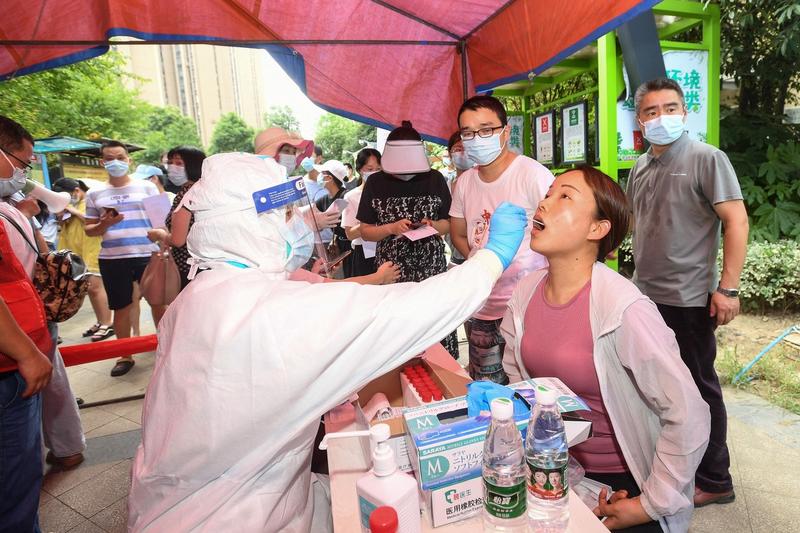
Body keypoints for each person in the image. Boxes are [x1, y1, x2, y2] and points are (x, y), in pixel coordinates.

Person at [128, 151, 529, 532]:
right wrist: (491, 257)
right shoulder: (265, 310)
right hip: (236, 515)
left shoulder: (203, 295)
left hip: (201, 500)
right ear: (251, 225)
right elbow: (412, 310)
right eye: (286, 215)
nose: (297, 226)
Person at [502, 166, 710, 533]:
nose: (545, 202)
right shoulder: (524, 293)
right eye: (548, 193)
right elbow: (520, 379)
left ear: (597, 229)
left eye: (564, 196)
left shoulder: (624, 309)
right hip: (556, 470)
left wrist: (649, 503)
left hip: (625, 484)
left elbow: (689, 412)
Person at [627, 78, 749, 508]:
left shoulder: (706, 158)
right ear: (639, 119)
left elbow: (736, 221)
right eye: (652, 110)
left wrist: (728, 289)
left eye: (671, 107)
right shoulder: (641, 166)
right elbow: (632, 226)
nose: (662, 117)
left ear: (685, 111)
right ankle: (675, 468)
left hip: (690, 300)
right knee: (658, 388)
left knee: (699, 389)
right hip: (646, 296)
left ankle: (716, 480)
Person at [450, 95, 554, 383]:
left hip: (527, 304)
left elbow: (558, 230)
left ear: (505, 132)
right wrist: (485, 264)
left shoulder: (532, 175)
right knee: (487, 391)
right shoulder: (465, 182)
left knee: (534, 387)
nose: (476, 138)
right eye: (468, 132)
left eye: (486, 130)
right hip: (482, 305)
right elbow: (459, 234)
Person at [357, 121, 458, 356]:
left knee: (434, 324)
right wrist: (391, 228)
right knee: (396, 331)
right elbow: (365, 230)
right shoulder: (375, 182)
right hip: (391, 270)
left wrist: (432, 225)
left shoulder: (435, 179)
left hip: (430, 267)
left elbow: (448, 222)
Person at [0, 115, 54, 532]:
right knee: (15, 481)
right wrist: (26, 353)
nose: (23, 173)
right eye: (22, 161)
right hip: (8, 369)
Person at [84, 141, 163, 377]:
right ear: (102, 162)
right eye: (109, 158)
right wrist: (106, 223)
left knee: (159, 303)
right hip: (112, 258)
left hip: (147, 254)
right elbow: (89, 230)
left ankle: (167, 346)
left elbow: (162, 220)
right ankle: (124, 354)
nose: (115, 162)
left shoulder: (147, 188)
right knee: (121, 308)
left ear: (129, 160)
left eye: (120, 157)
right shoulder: (93, 193)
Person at [54, 178, 115, 341]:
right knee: (89, 289)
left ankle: (108, 323)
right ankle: (100, 321)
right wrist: (61, 215)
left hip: (93, 250)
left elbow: (96, 221)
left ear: (76, 190)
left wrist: (71, 210)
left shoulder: (91, 200)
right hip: (77, 253)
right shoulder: (71, 205)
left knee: (96, 288)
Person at [146, 146, 206, 289]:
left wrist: (160, 235)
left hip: (188, 267)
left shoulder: (186, 194)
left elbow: (178, 241)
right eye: (170, 163)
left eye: (179, 163)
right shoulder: (205, 191)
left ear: (194, 166)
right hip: (204, 265)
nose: (172, 168)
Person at [342, 148, 381, 277]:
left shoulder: (388, 194)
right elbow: (349, 234)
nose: (375, 173)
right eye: (370, 169)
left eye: (378, 169)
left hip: (387, 249)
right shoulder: (351, 197)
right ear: (359, 170)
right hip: (364, 254)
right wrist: (369, 221)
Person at [314, 159, 352, 275]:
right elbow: (311, 216)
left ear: (330, 178)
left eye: (322, 174)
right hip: (338, 247)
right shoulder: (323, 200)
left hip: (352, 247)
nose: (318, 177)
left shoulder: (346, 196)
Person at [443, 131, 473, 267]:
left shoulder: (482, 183)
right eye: (457, 149)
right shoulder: (445, 186)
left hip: (477, 252)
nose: (462, 152)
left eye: (466, 148)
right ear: (450, 153)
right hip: (453, 256)